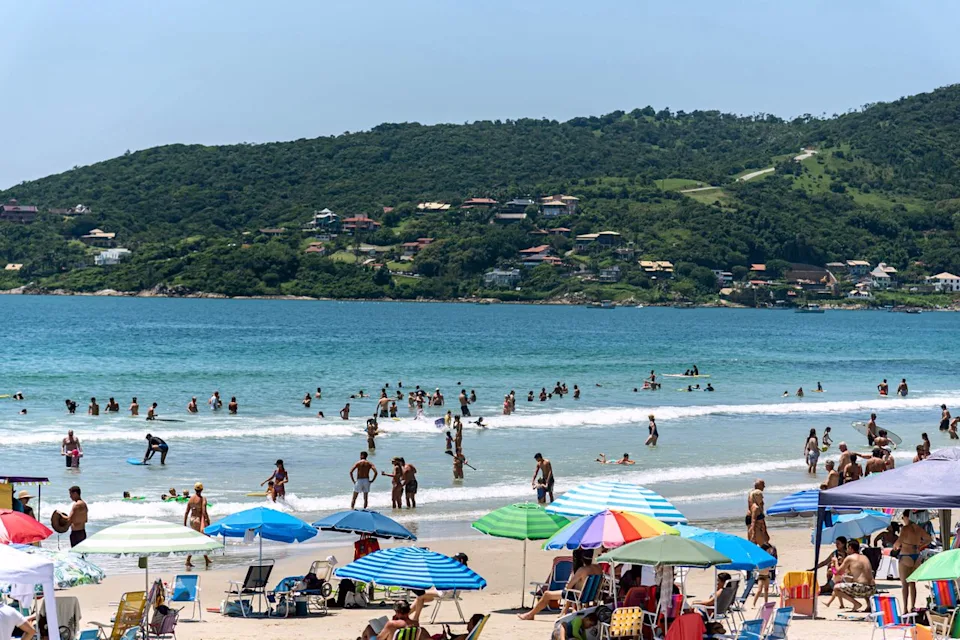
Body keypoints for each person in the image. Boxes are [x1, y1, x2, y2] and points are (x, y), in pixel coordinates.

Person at [518, 551, 605, 620]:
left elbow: (568, 587)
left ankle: (531, 614)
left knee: (547, 594)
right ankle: (531, 614)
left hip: (577, 595)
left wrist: (569, 585)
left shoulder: (582, 570)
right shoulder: (599, 569)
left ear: (582, 559)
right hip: (591, 596)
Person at [894, 511, 932, 611]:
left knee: (904, 584)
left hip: (906, 555)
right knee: (912, 584)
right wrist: (920, 546)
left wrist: (895, 546)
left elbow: (900, 540)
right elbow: (929, 539)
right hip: (916, 556)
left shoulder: (905, 528)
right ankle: (912, 607)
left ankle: (905, 608)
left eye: (903, 518)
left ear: (907, 517)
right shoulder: (918, 528)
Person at [831, 540, 876, 612]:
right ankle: (869, 605)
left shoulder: (850, 558)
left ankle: (856, 604)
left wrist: (835, 561)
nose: (846, 550)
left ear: (850, 548)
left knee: (836, 588)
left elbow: (839, 572)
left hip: (862, 588)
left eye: (847, 548)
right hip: (872, 589)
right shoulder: (865, 557)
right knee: (861, 582)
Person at [183, 482, 211, 567]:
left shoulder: (191, 499)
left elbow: (186, 512)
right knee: (201, 540)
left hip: (192, 520)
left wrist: (184, 524)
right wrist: (208, 521)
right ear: (202, 489)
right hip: (199, 521)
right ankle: (188, 560)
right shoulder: (203, 499)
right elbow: (204, 511)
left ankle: (206, 559)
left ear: (195, 489)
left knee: (199, 540)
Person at [746, 479, 769, 546]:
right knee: (761, 543)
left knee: (753, 542)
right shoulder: (757, 495)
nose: (764, 486)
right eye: (763, 485)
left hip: (751, 516)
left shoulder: (751, 493)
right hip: (756, 517)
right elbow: (754, 519)